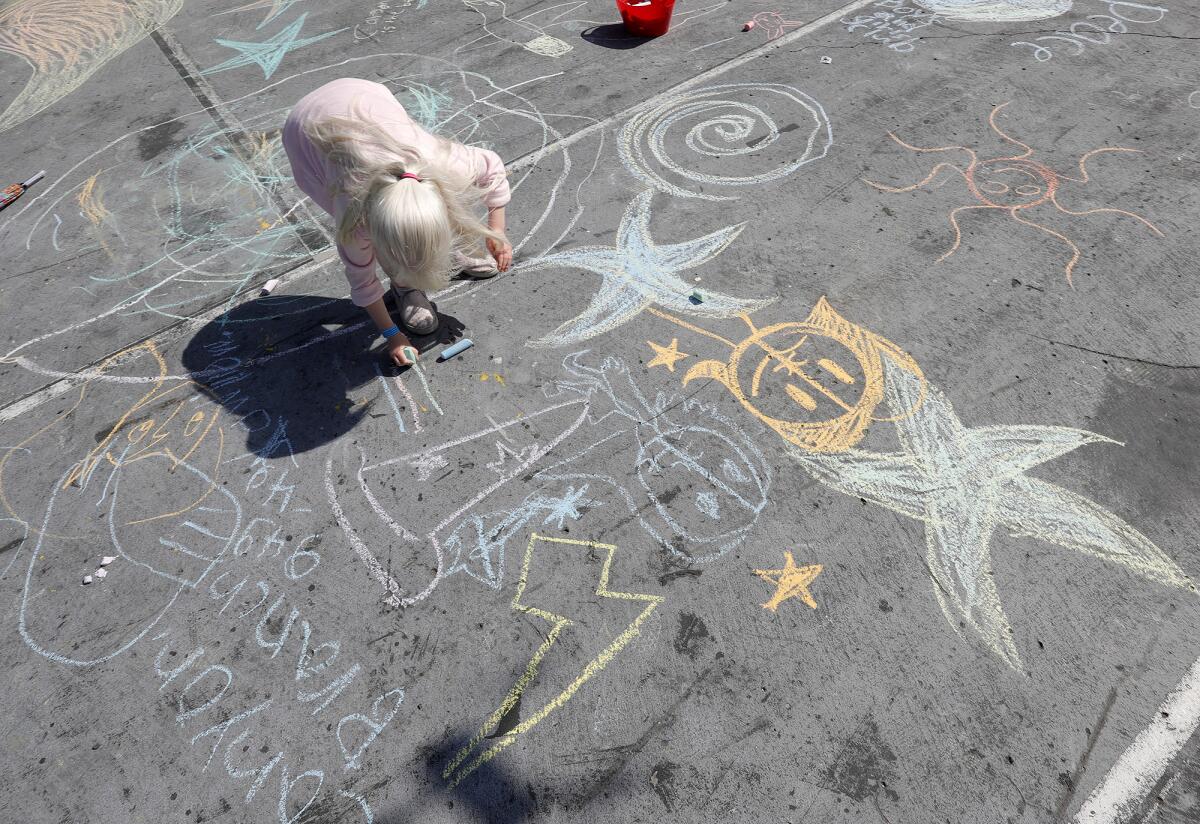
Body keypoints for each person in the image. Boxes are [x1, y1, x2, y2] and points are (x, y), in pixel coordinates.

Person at [282, 77, 512, 366]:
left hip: (363, 97)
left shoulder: (444, 166)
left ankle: (441, 251)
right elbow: (362, 280)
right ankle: (405, 287)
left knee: (422, 212)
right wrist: (393, 336)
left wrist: (496, 231)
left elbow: (492, 166)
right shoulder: (355, 219)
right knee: (395, 241)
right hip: (305, 133)